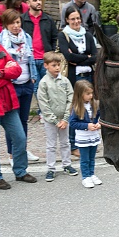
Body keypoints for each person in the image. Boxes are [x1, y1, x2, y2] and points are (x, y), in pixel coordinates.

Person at [0, 23, 37, 190]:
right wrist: (5, 76)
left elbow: (16, 70)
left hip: (7, 103)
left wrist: (0, 74)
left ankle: (20, 171)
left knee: (20, 137)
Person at [0, 9, 39, 165]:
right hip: (11, 85)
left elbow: (30, 59)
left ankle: (23, 150)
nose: (16, 26)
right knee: (12, 122)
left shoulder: (26, 37)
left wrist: (33, 78)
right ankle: (13, 154)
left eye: (18, 22)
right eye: (12, 23)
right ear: (6, 24)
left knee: (24, 120)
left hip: (26, 83)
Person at [59, 6, 98, 157]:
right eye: (72, 19)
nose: (76, 21)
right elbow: (69, 58)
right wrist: (86, 58)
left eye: (78, 18)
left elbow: (95, 56)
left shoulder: (87, 35)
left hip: (88, 77)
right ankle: (73, 144)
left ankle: (88, 139)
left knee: (89, 108)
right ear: (67, 20)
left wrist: (81, 58)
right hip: (74, 79)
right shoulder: (63, 36)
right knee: (75, 110)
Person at [37, 51, 79, 182]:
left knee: (65, 142)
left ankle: (67, 165)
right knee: (51, 145)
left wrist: (66, 118)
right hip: (51, 121)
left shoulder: (65, 81)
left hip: (64, 119)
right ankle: (51, 168)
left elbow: (70, 99)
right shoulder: (43, 83)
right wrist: (55, 120)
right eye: (54, 65)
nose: (57, 68)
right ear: (46, 66)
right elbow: (43, 104)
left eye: (58, 65)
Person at [21, 0, 59, 103]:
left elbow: (54, 37)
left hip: (46, 58)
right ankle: (43, 111)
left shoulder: (48, 18)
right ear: (28, 3)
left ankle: (51, 109)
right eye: (35, 0)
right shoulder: (23, 19)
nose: (38, 2)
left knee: (50, 86)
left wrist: (51, 52)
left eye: (39, 0)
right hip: (31, 59)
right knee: (37, 88)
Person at [69, 80, 102, 188]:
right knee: (85, 158)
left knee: (92, 157)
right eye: (88, 94)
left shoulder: (94, 104)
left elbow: (99, 117)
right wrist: (86, 126)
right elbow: (73, 123)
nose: (91, 96)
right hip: (83, 137)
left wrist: (98, 124)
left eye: (91, 93)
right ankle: (85, 177)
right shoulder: (76, 107)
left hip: (93, 136)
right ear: (80, 94)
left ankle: (92, 174)